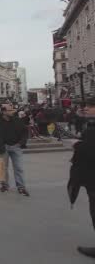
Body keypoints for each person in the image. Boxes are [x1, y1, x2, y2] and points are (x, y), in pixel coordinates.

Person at [69, 98, 95, 258]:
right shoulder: (90, 125)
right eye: (85, 106)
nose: (86, 108)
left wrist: (76, 145)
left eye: (91, 106)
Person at [0, 103, 30, 196]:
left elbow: (25, 131)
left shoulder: (17, 120)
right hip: (3, 147)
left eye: (12, 110)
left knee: (19, 168)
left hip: (16, 146)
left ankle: (21, 187)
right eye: (9, 110)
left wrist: (21, 143)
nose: (12, 111)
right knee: (3, 168)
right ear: (3, 111)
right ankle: (5, 184)